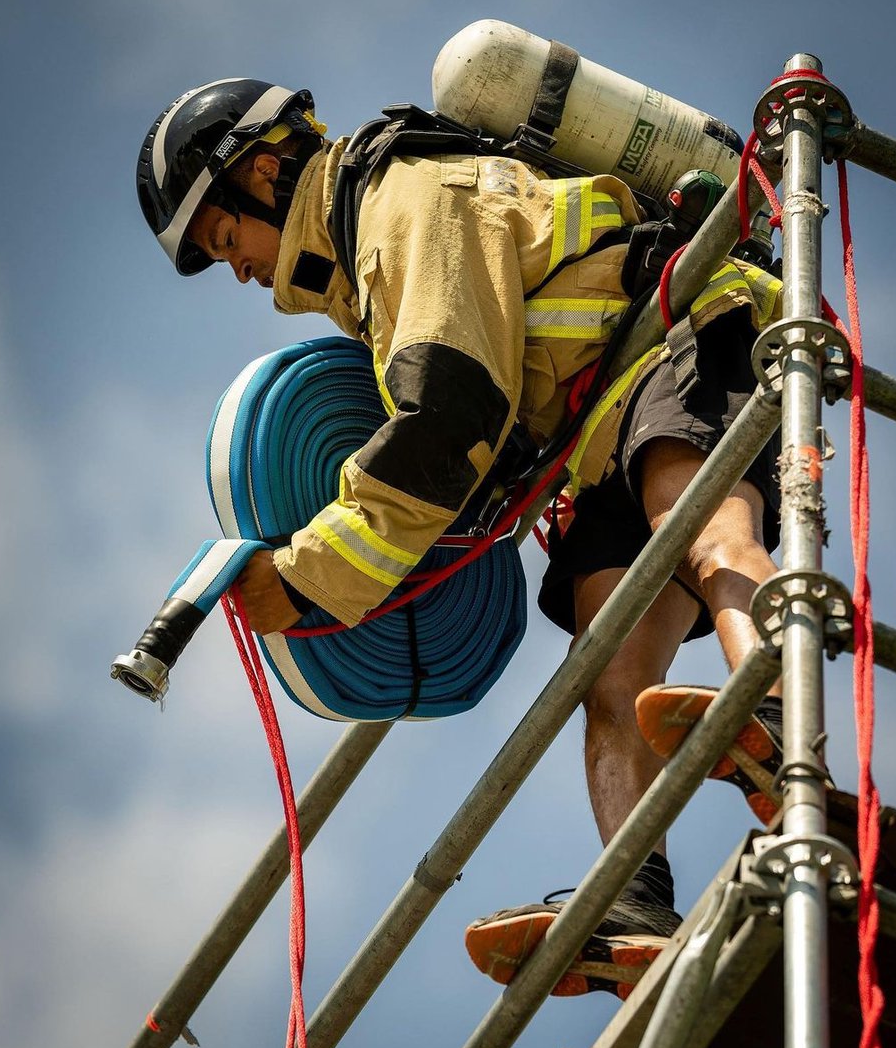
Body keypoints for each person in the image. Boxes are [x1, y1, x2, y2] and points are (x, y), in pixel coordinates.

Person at [137, 76, 786, 1000]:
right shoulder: (364, 275)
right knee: (609, 681)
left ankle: (775, 711)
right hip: (597, 423)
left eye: (223, 235)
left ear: (266, 169)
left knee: (707, 538)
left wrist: (311, 575)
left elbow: (449, 416)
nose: (235, 267)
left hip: (678, 335)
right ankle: (638, 899)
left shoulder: (406, 203)